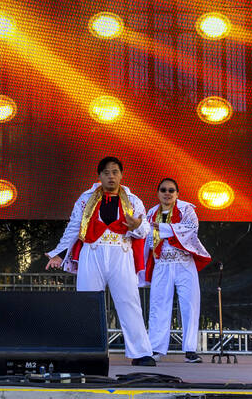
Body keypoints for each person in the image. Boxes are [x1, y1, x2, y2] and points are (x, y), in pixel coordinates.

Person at [45, 156, 157, 366]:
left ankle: (141, 353)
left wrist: (135, 226)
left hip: (121, 251)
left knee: (129, 301)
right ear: (99, 176)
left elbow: (145, 231)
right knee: (86, 300)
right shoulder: (86, 198)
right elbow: (74, 227)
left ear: (121, 175)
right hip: (92, 252)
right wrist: (58, 253)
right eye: (106, 173)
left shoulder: (133, 200)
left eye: (115, 172)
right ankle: (86, 352)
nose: (111, 176)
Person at [141, 178, 211, 363]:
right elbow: (145, 239)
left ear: (177, 194)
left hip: (183, 263)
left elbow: (191, 229)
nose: (167, 193)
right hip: (162, 264)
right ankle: (155, 348)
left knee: (190, 305)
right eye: (163, 189)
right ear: (158, 193)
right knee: (158, 306)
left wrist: (164, 228)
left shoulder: (187, 209)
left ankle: (190, 350)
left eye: (171, 190)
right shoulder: (151, 213)